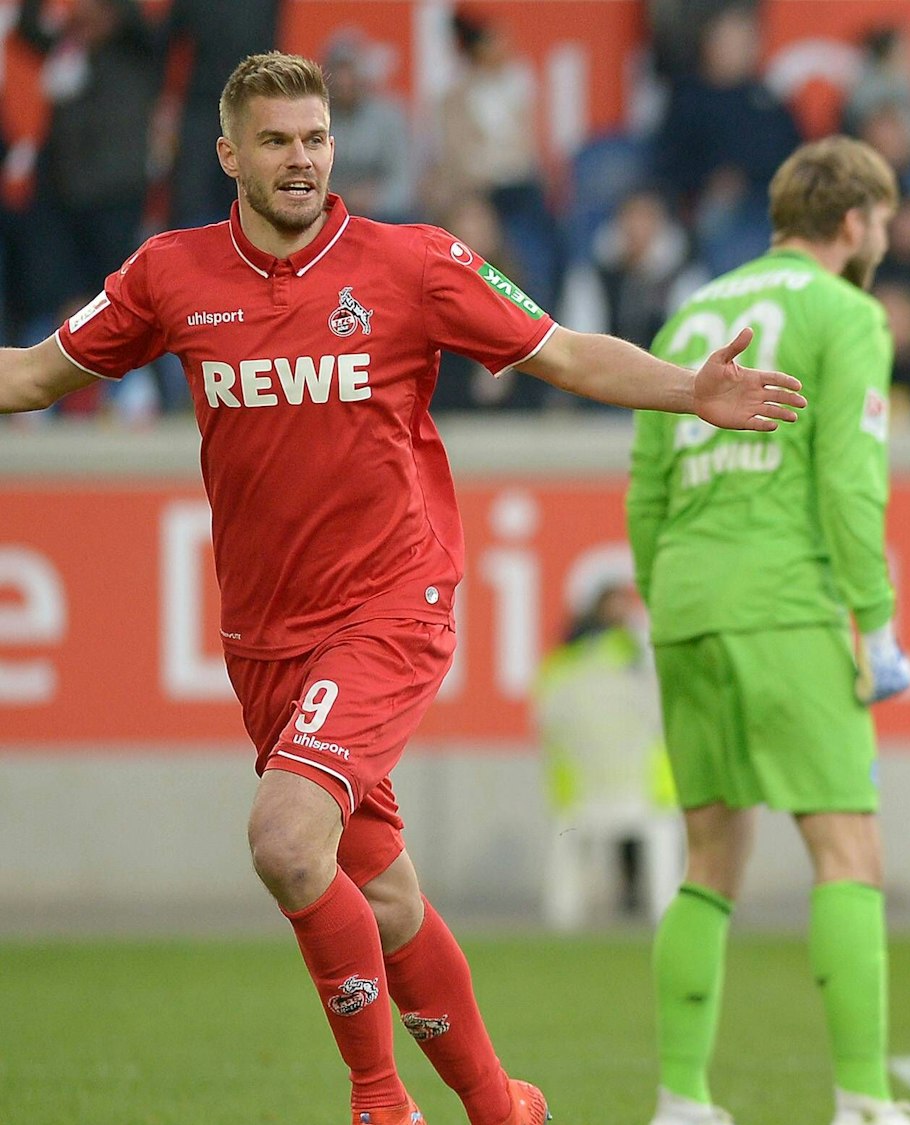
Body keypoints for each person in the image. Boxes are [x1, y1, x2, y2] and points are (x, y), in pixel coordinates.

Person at [0, 52, 805, 1125]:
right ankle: (502, 1106)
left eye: (317, 139)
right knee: (378, 895)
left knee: (287, 841)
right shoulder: (168, 276)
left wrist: (685, 390)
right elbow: (31, 376)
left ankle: (382, 1103)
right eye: (278, 141)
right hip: (265, 636)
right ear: (228, 152)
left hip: (391, 605)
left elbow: (559, 352)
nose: (301, 160)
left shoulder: (413, 263)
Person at [629, 136, 910, 1125]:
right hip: (785, 601)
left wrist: (670, 597)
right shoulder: (846, 312)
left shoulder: (686, 317)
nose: (881, 238)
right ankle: (865, 1102)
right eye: (879, 221)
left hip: (686, 605)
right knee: (847, 853)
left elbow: (645, 490)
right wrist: (874, 622)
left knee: (708, 862)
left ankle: (680, 1100)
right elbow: (848, 479)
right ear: (854, 222)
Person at [535, 579, 682, 931]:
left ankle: (565, 913)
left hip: (577, 792)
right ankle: (665, 905)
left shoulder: (558, 669)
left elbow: (544, 723)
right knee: (667, 823)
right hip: (646, 789)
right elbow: (664, 718)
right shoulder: (639, 663)